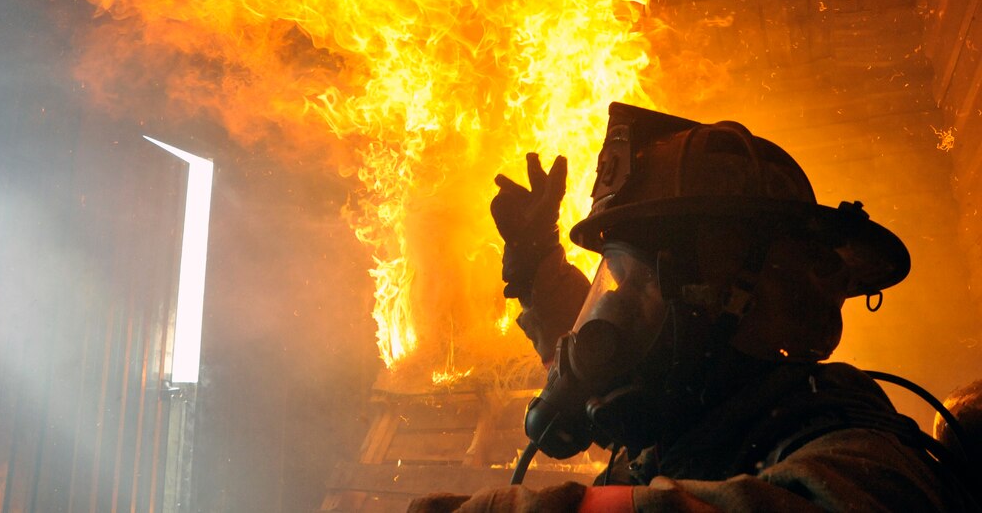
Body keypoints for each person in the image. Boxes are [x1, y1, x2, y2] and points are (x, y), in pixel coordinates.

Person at [409, 103, 978, 512]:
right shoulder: (685, 428)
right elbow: (633, 335)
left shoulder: (863, 460)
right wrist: (539, 271)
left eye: (641, 281)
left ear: (735, 299)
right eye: (616, 278)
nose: (608, 316)